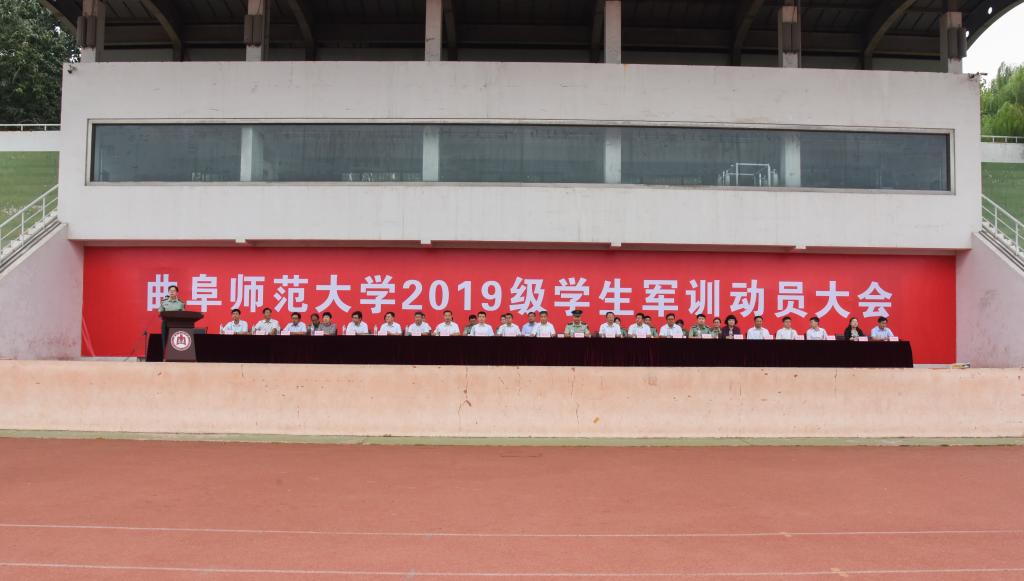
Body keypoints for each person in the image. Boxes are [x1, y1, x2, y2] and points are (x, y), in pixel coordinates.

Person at [158, 285, 186, 349]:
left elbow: (183, 314)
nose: (172, 292)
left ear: (177, 292)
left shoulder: (181, 303)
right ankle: (165, 353)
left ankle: (175, 353)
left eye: (173, 291)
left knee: (175, 340)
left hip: (177, 323)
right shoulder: (164, 302)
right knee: (165, 339)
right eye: (170, 291)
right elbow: (160, 312)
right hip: (166, 323)